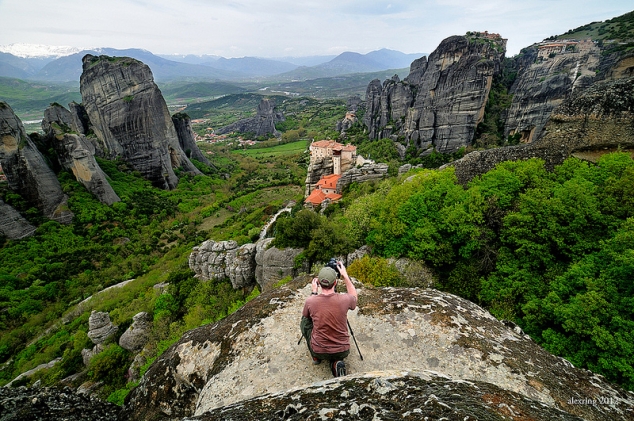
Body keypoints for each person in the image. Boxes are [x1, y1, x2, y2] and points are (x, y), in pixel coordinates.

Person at [300, 261, 357, 377]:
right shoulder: (345, 299)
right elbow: (354, 298)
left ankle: (316, 357)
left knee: (305, 321)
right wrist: (345, 276)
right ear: (335, 282)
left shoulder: (311, 301)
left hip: (319, 350)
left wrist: (314, 292)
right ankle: (336, 362)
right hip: (343, 350)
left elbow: (306, 317)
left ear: (319, 283)